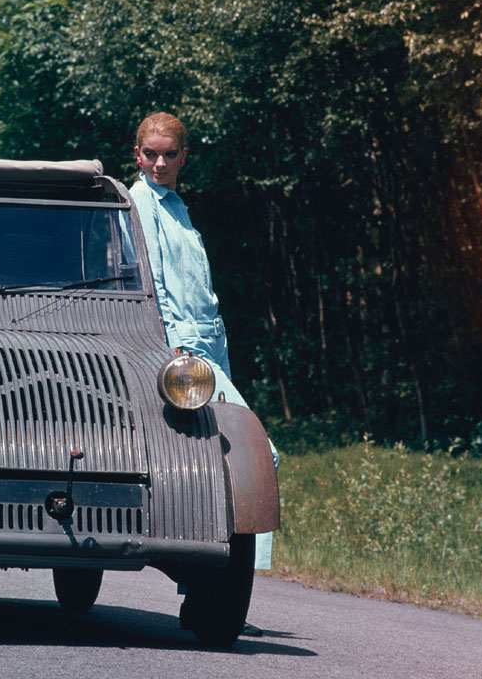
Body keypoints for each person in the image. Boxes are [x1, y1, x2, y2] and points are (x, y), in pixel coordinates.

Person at [129, 112, 278, 638]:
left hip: (208, 344)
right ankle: (214, 583)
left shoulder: (177, 207)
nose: (160, 162)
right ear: (137, 153)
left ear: (184, 156)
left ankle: (208, 587)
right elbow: (154, 283)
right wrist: (171, 345)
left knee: (216, 450)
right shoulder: (141, 204)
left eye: (170, 154)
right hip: (183, 349)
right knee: (253, 451)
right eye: (151, 153)